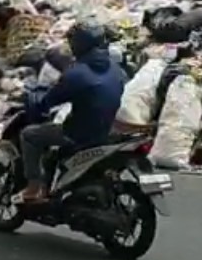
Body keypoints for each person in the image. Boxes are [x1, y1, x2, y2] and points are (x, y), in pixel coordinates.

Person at [14, 20, 126, 204]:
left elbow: (46, 102)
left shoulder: (77, 73)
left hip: (78, 134)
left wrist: (32, 99)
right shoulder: (116, 69)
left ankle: (33, 187)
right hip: (107, 130)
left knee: (28, 135)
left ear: (78, 44)